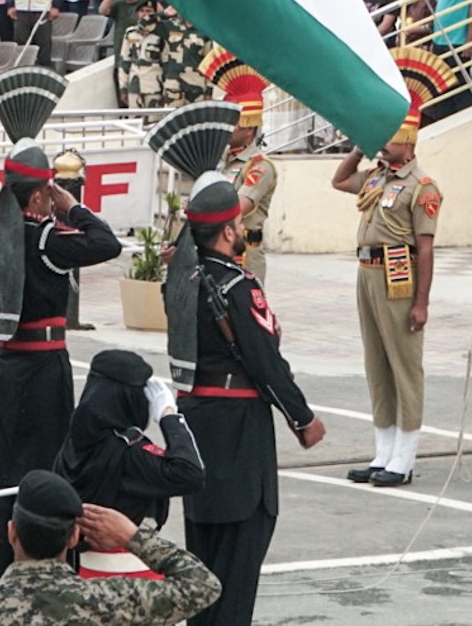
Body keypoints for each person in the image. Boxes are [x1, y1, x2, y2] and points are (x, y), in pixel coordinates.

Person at [168, 169, 326, 626]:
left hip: (195, 423)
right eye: (237, 224)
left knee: (202, 570)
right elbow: (264, 363)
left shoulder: (181, 280)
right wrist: (303, 419)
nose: (243, 232)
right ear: (227, 230)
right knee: (236, 569)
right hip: (238, 432)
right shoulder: (239, 286)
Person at [0, 139, 122, 577]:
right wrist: (72, 207)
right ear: (40, 195)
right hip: (43, 370)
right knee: (49, 466)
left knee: (6, 474)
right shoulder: (46, 239)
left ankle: (6, 567)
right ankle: (51, 565)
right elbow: (107, 244)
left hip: (5, 368)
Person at [329, 49, 450, 488]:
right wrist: (362, 144)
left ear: (411, 140)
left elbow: (425, 248)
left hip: (399, 271)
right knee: (376, 363)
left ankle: (405, 456)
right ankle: (384, 450)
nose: (385, 143)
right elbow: (341, 180)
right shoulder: (379, 176)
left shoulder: (422, 187)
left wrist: (422, 302)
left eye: (390, 137)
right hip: (366, 272)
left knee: (403, 364)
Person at [0, 470, 221, 626]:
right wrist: (133, 536)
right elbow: (203, 585)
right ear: (74, 537)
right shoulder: (108, 601)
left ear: (11, 532)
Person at [53, 349, 206, 577]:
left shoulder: (77, 440)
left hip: (83, 571)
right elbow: (191, 473)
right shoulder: (129, 452)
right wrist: (169, 416)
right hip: (132, 573)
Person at [208, 55, 280, 283]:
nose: (227, 128)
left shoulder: (260, 166)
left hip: (245, 253)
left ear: (249, 129)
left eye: (234, 123)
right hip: (219, 249)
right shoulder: (223, 162)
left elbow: (237, 207)